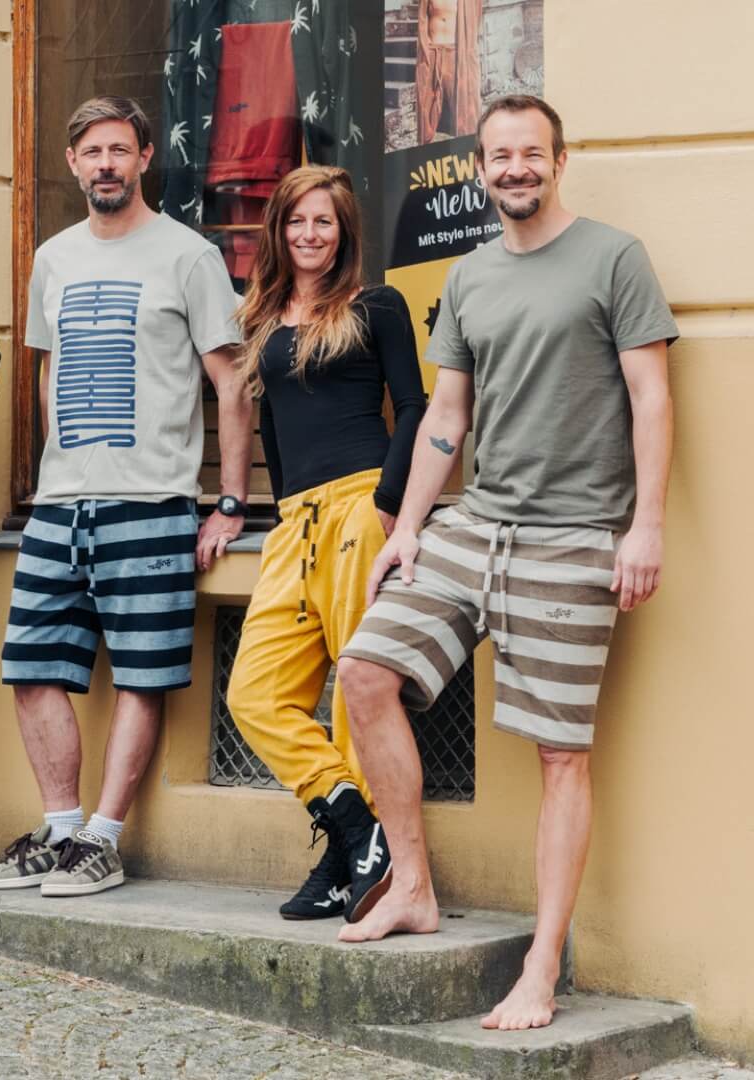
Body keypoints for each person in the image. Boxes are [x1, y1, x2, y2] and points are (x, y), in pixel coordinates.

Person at [337, 95, 677, 1031]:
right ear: (480, 168)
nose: (515, 168)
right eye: (499, 155)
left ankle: (540, 968)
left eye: (532, 152)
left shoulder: (614, 258)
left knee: (560, 755)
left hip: (575, 536)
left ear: (559, 161)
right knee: (364, 671)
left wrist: (645, 527)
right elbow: (447, 416)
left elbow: (652, 397)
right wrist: (409, 526)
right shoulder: (471, 275)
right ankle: (412, 886)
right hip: (475, 523)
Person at [0, 96, 252, 895]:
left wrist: (230, 501)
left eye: (119, 150)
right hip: (59, 507)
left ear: (144, 158)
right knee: (31, 669)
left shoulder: (189, 256)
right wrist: (50, 476)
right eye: (92, 151)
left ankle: (102, 840)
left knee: (141, 676)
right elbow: (47, 371)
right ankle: (62, 830)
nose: (106, 164)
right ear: (73, 163)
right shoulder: (52, 257)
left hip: (152, 501)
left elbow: (232, 381)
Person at [226, 166, 426, 922]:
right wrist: (279, 514)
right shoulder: (264, 320)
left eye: (324, 222)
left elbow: (414, 408)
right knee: (254, 692)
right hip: (295, 524)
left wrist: (388, 506)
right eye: (296, 221)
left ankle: (358, 866)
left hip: (360, 507)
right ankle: (353, 823)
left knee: (354, 694)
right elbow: (273, 431)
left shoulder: (376, 306)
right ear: (277, 230)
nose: (309, 234)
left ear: (344, 233)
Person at [416, 0, 482, 145]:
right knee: (426, 106)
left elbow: (475, 20)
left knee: (465, 108)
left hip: (457, 54)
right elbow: (423, 19)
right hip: (432, 53)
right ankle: (424, 150)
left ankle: (468, 150)